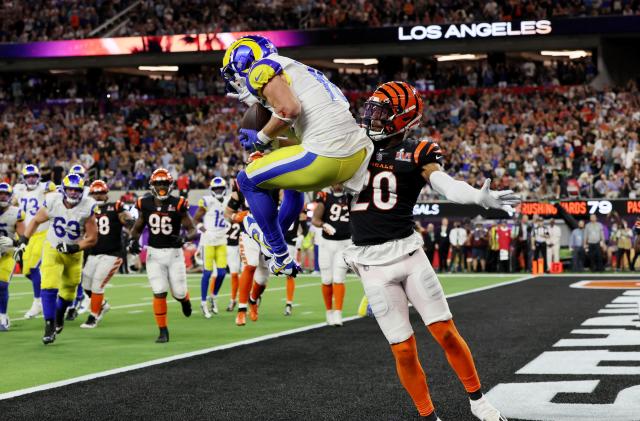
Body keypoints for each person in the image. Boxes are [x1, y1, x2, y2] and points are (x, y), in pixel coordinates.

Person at [345, 82, 516, 420]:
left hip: (409, 256)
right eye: (372, 111)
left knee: (446, 333)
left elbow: (444, 184)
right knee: (403, 350)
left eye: (382, 113)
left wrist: (476, 196)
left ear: (404, 118)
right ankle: (427, 415)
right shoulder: (354, 146)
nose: (372, 119)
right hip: (370, 263)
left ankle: (478, 401)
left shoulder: (419, 151)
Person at [222, 35, 372, 276]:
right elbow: (301, 136)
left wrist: (260, 137)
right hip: (354, 155)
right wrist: (272, 137)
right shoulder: (303, 72)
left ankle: (279, 254)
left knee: (246, 180)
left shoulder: (261, 69)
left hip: (325, 157)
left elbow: (289, 109)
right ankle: (272, 240)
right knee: (292, 186)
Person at [14, 174, 98, 344]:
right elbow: (36, 220)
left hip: (74, 254)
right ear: (63, 189)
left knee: (68, 293)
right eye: (70, 190)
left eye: (77, 190)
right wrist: (24, 241)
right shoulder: (53, 201)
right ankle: (49, 325)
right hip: (53, 247)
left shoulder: (87, 206)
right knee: (49, 285)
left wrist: (74, 247)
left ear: (82, 191)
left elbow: (92, 238)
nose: (73, 193)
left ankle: (59, 316)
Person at [128, 168, 196, 343]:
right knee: (159, 291)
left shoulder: (179, 203)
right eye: (158, 183)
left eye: (164, 183)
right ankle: (163, 330)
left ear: (170, 185)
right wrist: (132, 241)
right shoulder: (145, 203)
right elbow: (137, 227)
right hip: (154, 254)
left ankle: (184, 300)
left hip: (174, 255)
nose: (161, 186)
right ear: (152, 185)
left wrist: (183, 239)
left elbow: (192, 229)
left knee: (179, 292)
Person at [80, 180, 134, 328]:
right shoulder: (87, 210)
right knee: (86, 282)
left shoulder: (115, 206)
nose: (98, 196)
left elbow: (127, 219)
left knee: (97, 284)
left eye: (101, 193)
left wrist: (129, 223)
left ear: (106, 194)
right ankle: (102, 304)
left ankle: (94, 316)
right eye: (95, 193)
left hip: (112, 253)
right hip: (93, 253)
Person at [12, 164, 56, 319]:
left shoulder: (46, 187)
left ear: (39, 177)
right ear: (24, 178)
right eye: (28, 176)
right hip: (26, 235)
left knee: (32, 267)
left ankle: (38, 302)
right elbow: (12, 203)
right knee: (27, 272)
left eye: (34, 176)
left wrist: (51, 191)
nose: (31, 179)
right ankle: (46, 288)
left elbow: (56, 196)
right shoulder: (18, 189)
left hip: (43, 232)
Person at [312, 184, 351, 326]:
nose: (338, 184)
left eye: (341, 181)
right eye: (336, 181)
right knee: (327, 279)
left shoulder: (351, 195)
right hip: (326, 244)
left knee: (339, 278)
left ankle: (338, 313)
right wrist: (323, 225)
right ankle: (328, 311)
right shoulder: (325, 195)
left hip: (345, 243)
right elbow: (315, 219)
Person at [193, 177, 230, 317]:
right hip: (208, 241)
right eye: (216, 189)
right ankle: (203, 303)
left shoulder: (228, 201)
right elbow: (195, 219)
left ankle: (213, 296)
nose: (219, 191)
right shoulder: (207, 201)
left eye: (220, 189)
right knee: (207, 273)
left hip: (221, 240)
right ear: (211, 190)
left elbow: (230, 216)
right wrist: (205, 231)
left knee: (221, 273)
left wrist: (229, 223)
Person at [0, 183, 25, 331]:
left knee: (2, 284)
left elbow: (24, 237)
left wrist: (14, 241)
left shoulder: (16, 213)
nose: (3, 196)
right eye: (0, 193)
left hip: (7, 253)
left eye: (5, 194)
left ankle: (3, 316)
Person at [283, 207, 308, 315]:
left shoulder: (299, 207)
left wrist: (301, 236)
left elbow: (305, 228)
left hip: (290, 245)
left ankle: (289, 303)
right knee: (263, 274)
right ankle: (255, 298)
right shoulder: (273, 202)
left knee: (289, 274)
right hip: (273, 243)